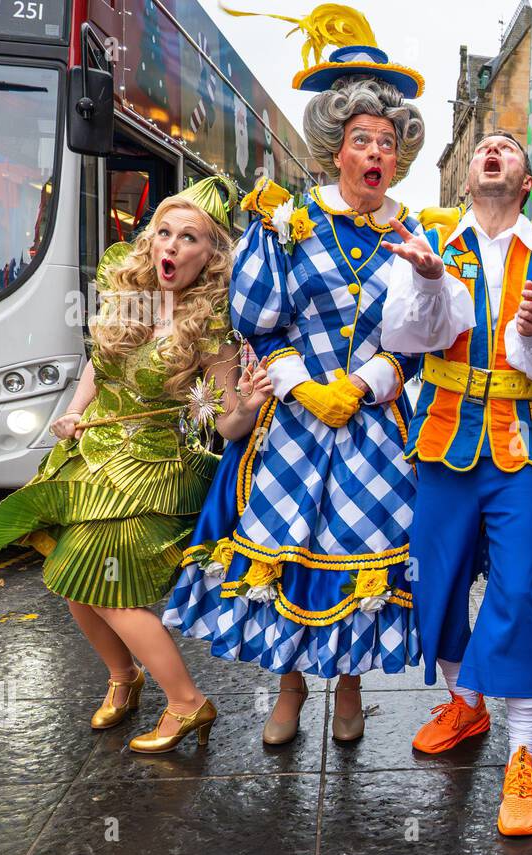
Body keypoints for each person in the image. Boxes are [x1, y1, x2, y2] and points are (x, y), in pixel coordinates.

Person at [163, 9, 426, 746]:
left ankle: (347, 691)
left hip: (374, 425)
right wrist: (299, 381)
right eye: (363, 139)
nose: (377, 151)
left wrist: (370, 381)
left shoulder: (415, 233)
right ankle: (288, 691)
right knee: (282, 554)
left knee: (360, 559)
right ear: (335, 151)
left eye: (388, 140)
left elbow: (423, 334)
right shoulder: (288, 218)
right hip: (295, 423)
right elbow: (258, 319)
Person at [0, 175, 267, 753]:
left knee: (111, 592)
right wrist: (72, 413)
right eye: (164, 231)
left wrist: (252, 402)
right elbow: (99, 362)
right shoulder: (131, 297)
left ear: (210, 255)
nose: (170, 245)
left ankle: (188, 703)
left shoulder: (211, 329)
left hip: (155, 473)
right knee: (70, 581)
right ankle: (124, 678)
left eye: (189, 238)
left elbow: (227, 424)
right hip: (93, 457)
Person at [381, 130, 532, 836]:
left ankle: (522, 751)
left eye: (507, 148)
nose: (492, 152)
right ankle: (465, 703)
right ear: (467, 176)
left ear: (527, 181)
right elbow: (409, 340)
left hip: (524, 443)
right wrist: (426, 279)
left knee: (515, 591)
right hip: (444, 438)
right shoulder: (428, 243)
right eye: (481, 148)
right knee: (435, 584)